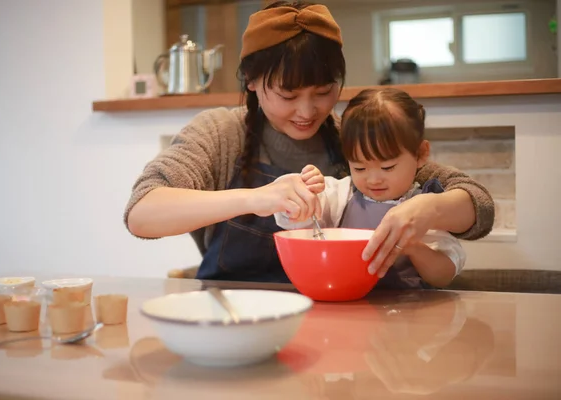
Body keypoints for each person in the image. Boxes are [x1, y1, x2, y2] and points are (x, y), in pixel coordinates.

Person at [124, 1, 494, 283]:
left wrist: (428, 210)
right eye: (288, 95)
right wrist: (257, 198)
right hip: (234, 317)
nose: (307, 111)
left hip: (332, 320)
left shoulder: (352, 137)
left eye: (323, 91)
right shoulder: (221, 133)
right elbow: (142, 213)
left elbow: (477, 206)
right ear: (251, 80)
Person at [275, 88, 466, 289]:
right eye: (359, 167)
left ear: (420, 154)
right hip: (348, 304)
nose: (373, 179)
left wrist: (414, 248)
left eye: (387, 167)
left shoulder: (424, 207)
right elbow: (293, 219)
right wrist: (304, 192)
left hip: (409, 312)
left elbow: (444, 275)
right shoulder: (340, 195)